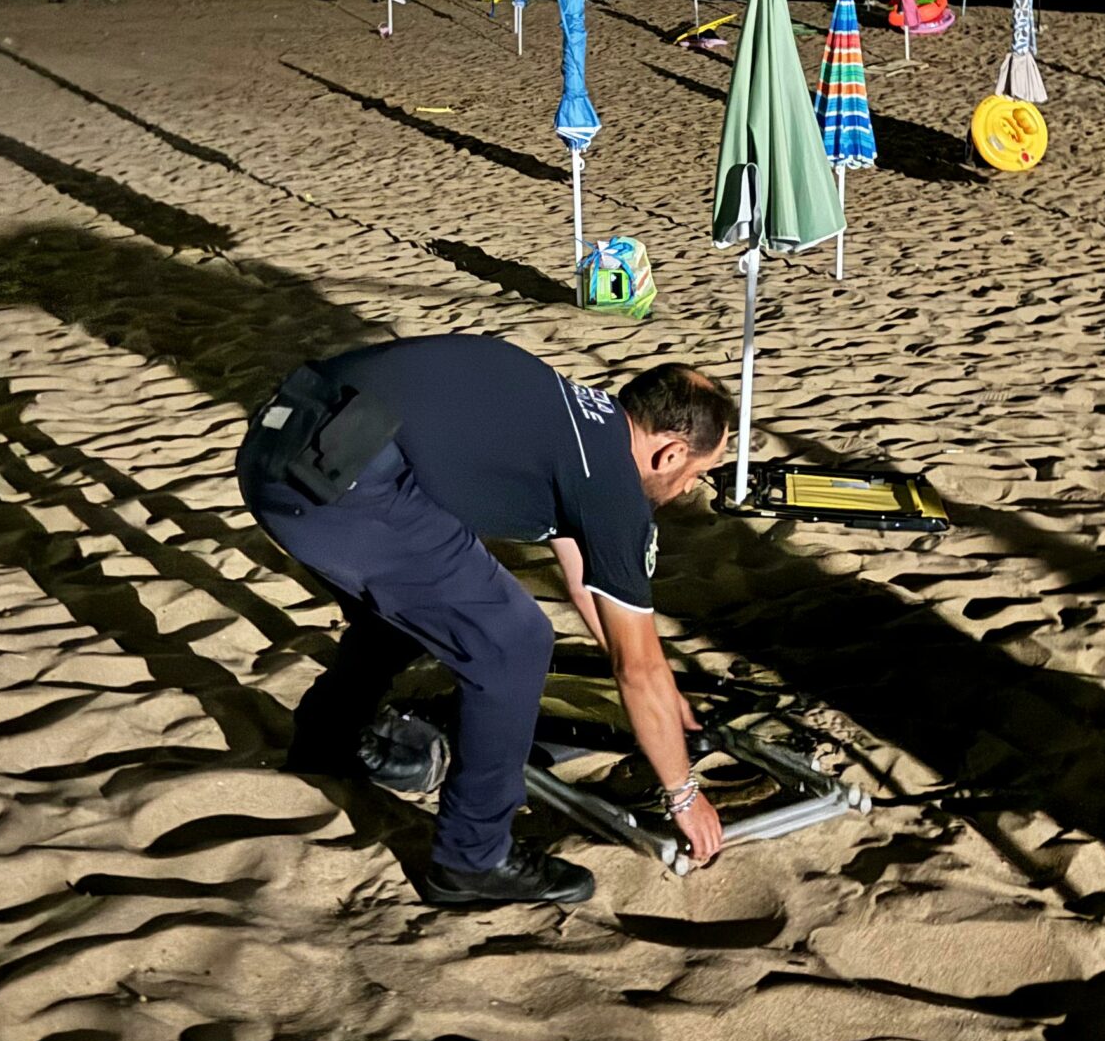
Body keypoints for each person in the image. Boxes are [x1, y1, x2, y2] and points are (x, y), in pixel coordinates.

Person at [238, 336, 733, 908]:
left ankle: (329, 741)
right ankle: (472, 859)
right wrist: (683, 794)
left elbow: (585, 583)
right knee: (513, 639)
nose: (691, 487)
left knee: (419, 604)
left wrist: (667, 695)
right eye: (700, 472)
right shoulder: (613, 488)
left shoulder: (585, 423)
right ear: (670, 453)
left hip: (280, 443)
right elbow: (636, 667)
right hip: (336, 483)